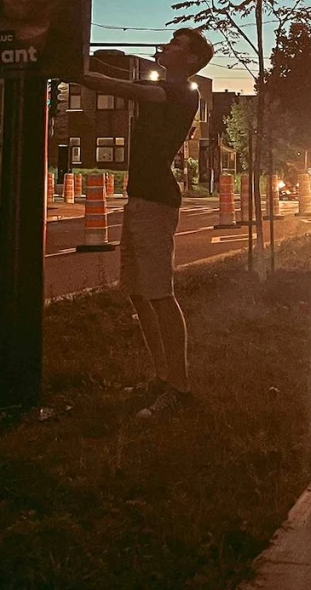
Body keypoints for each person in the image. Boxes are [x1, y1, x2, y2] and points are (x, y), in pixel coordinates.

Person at [78, 28, 214, 419]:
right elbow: (118, 77)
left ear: (191, 60)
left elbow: (121, 87)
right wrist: (90, 64)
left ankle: (179, 387)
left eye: (176, 44)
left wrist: (79, 72)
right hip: (140, 198)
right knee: (138, 293)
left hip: (156, 201)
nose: (166, 46)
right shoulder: (162, 88)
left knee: (159, 294)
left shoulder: (181, 93)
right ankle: (161, 376)